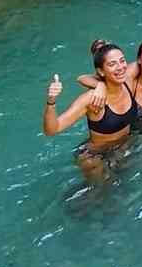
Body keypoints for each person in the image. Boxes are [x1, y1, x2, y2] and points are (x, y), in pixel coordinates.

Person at [43, 43, 136, 183]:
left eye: (122, 61)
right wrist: (51, 101)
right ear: (101, 72)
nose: (120, 67)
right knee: (100, 196)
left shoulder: (128, 81)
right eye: (112, 64)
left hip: (122, 148)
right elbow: (52, 129)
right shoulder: (92, 99)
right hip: (95, 157)